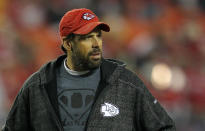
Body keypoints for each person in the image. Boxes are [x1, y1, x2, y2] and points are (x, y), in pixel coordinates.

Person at [2, 8, 176, 131]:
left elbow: (164, 126)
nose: (95, 44)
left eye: (97, 36)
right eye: (86, 38)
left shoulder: (126, 82)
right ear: (68, 43)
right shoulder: (37, 86)